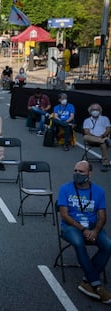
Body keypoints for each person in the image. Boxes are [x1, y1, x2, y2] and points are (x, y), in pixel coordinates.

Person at [57, 160, 111, 304]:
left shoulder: (99, 191)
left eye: (81, 172)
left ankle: (87, 281)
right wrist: (83, 230)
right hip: (71, 227)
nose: (77, 174)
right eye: (75, 171)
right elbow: (64, 215)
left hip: (92, 226)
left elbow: (102, 216)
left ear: (89, 174)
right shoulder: (65, 189)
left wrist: (95, 230)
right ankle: (97, 285)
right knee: (79, 242)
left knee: (108, 245)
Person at [82, 103, 111, 171]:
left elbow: (108, 129)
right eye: (93, 109)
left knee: (103, 143)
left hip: (103, 137)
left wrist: (103, 136)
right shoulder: (87, 120)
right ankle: (103, 140)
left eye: (97, 109)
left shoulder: (105, 118)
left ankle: (106, 162)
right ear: (90, 111)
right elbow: (86, 131)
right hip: (92, 139)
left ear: (100, 110)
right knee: (85, 137)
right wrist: (98, 138)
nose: (95, 111)